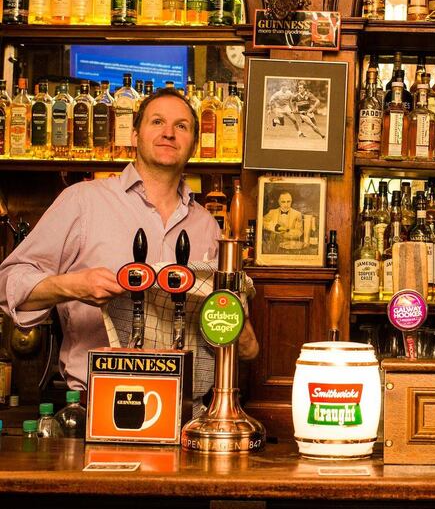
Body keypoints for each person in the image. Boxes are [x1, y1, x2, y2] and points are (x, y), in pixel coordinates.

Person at [0, 87, 258, 398]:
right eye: (157, 122)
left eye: (181, 126)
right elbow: (7, 284)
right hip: (96, 400)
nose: (168, 133)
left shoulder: (205, 224)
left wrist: (237, 325)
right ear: (134, 136)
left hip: (184, 406)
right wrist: (72, 286)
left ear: (194, 143)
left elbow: (225, 328)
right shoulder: (83, 201)